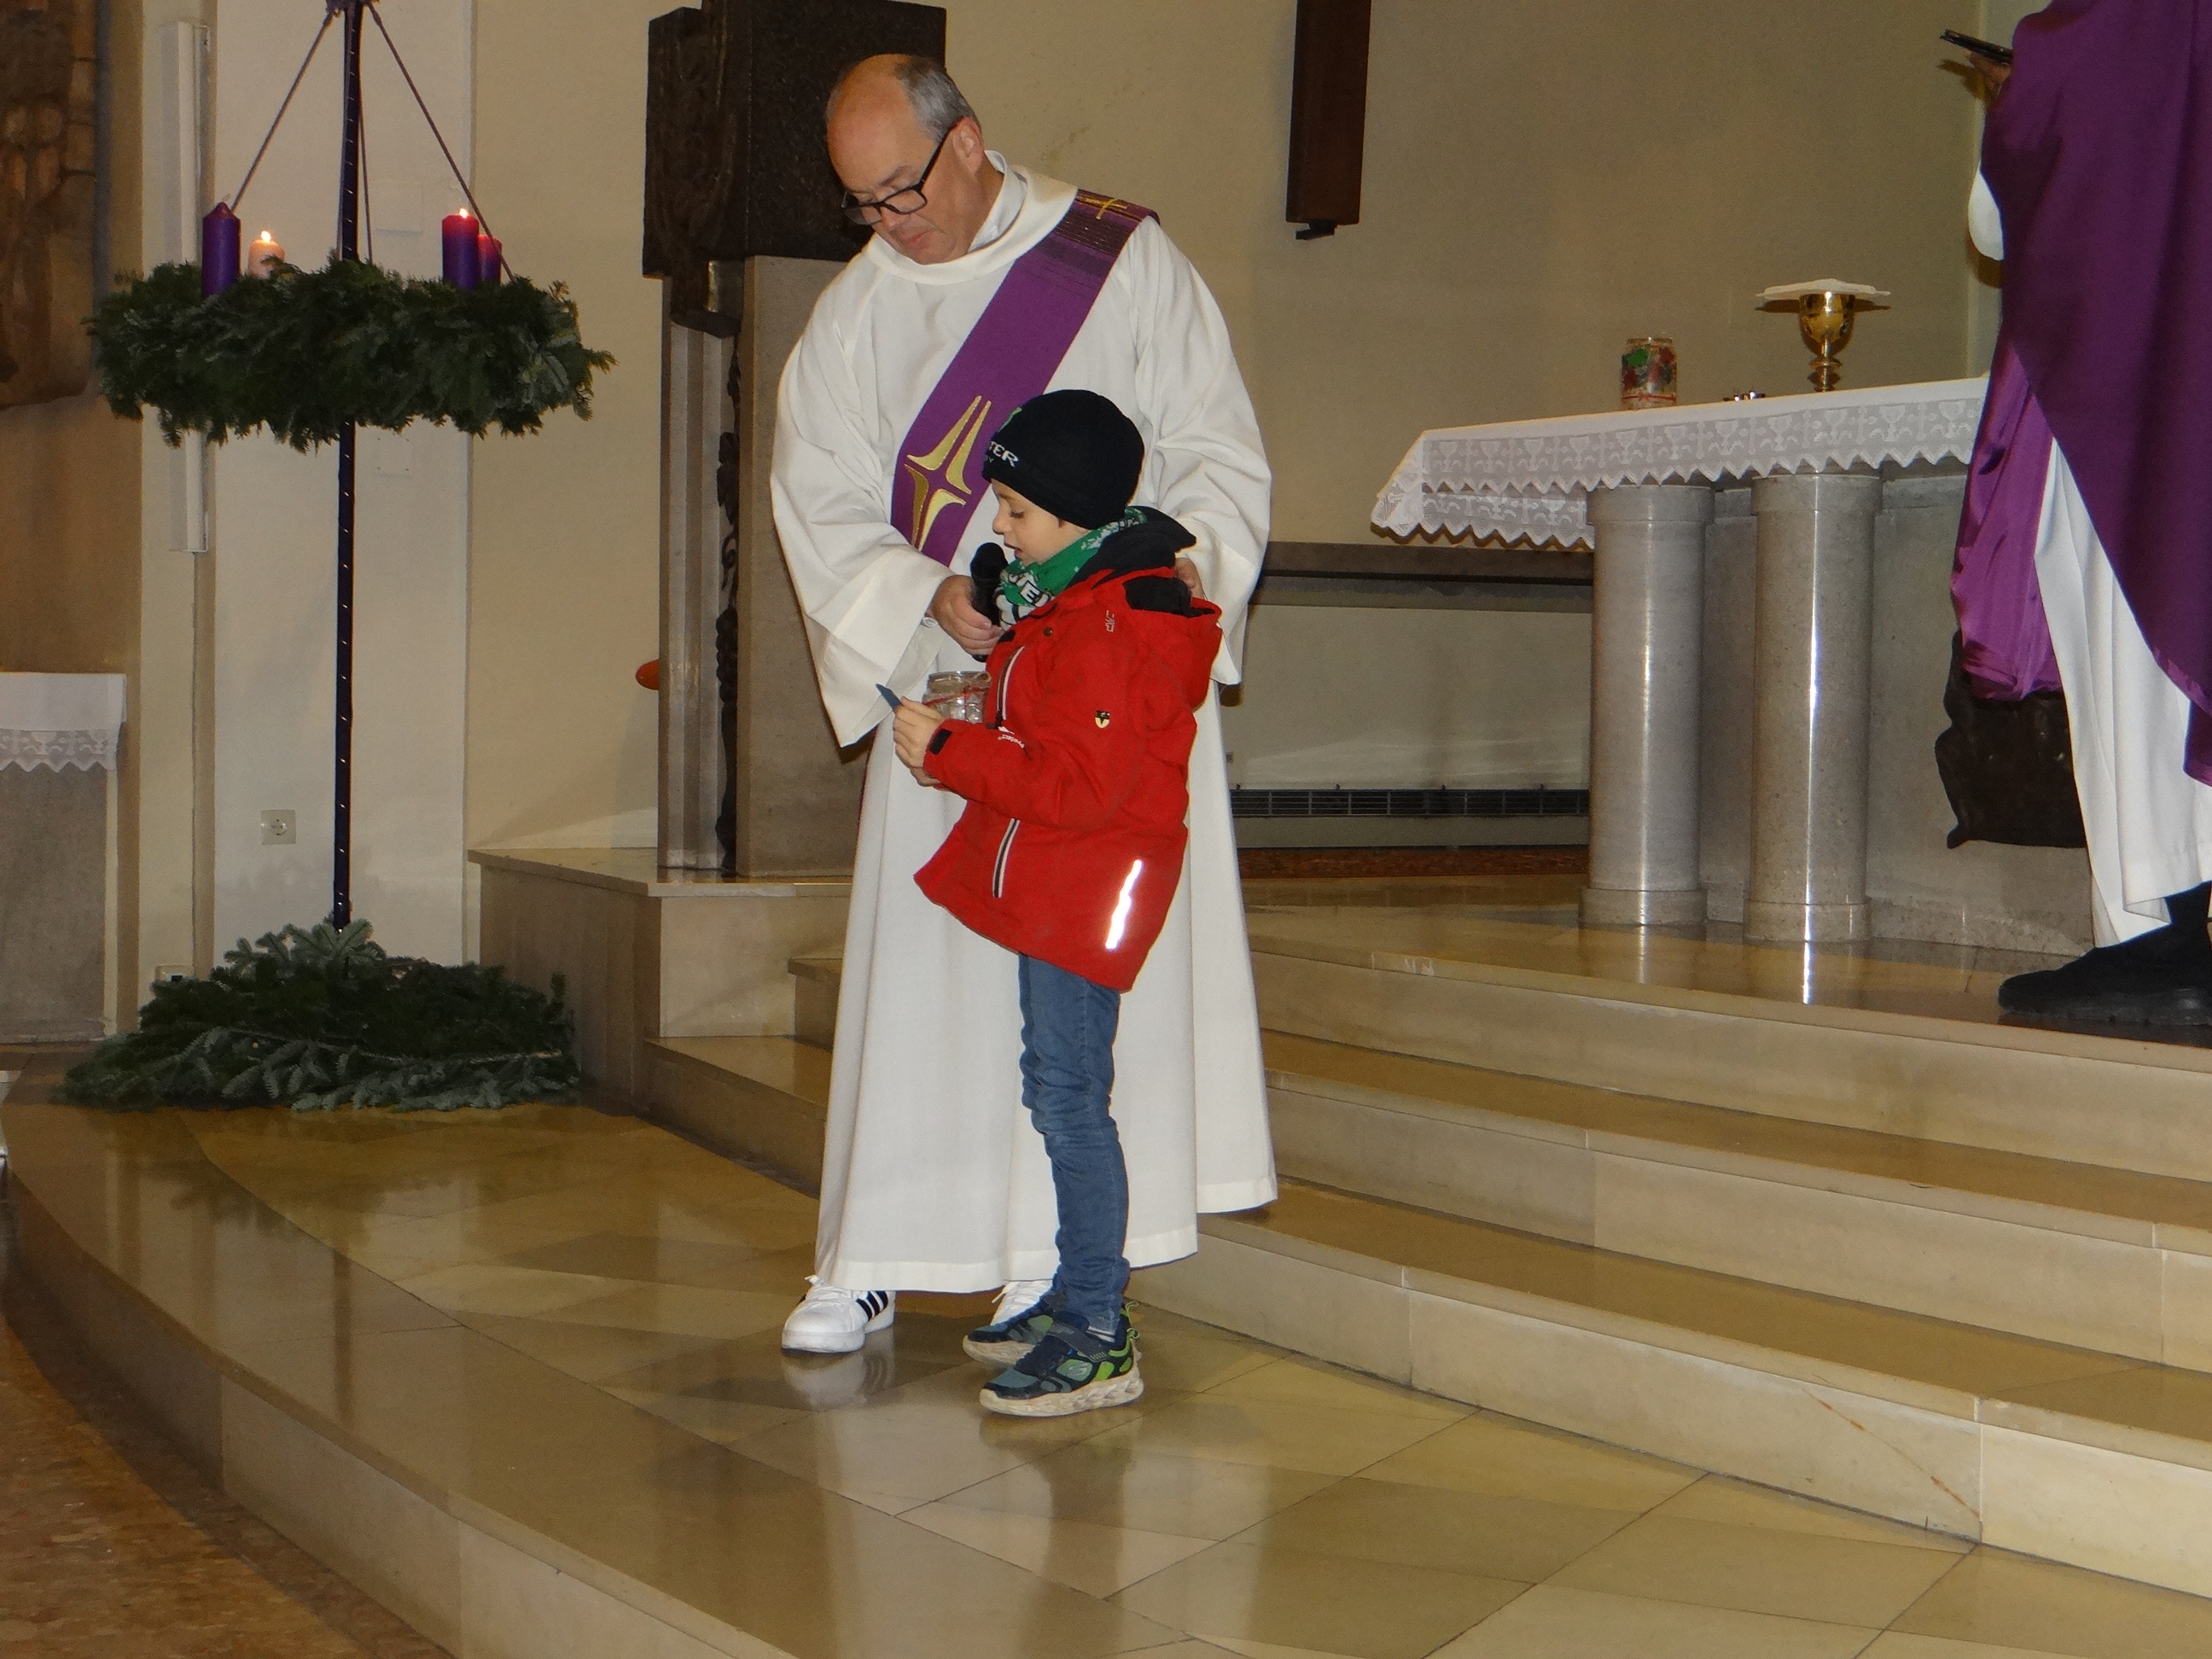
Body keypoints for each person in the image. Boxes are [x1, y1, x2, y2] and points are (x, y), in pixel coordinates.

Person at [770, 54, 1275, 1353]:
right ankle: (880, 1249)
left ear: (968, 143)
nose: (890, 224)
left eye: (903, 191)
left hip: (1104, 701)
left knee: (1069, 1011)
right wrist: (927, 593)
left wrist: (1154, 597)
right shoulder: (853, 316)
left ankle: (1049, 1260)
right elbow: (819, 506)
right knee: (928, 980)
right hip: (958, 696)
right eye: (862, 203)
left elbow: (1216, 454)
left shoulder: (1119, 262)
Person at [885, 390, 1222, 1415]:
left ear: (1076, 516)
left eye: (1017, 510)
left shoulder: (1110, 624)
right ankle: (1077, 1295)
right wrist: (973, 722)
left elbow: (1081, 787)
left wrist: (953, 752)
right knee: (1056, 1085)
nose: (999, 524)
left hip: (1091, 884)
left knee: (1070, 1099)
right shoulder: (1076, 596)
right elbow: (1055, 729)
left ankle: (1098, 1331)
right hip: (1069, 875)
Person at [1953, 2, 2212, 1023]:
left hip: (2131, 402)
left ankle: (2159, 934)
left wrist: (2017, 96)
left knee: (2134, 645)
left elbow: (1994, 224)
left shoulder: (2093, 29)